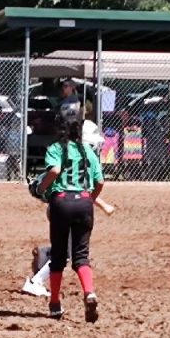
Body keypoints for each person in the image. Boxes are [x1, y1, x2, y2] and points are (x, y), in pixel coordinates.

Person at [33, 108, 105, 322]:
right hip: (83, 201)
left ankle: (55, 303)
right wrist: (90, 199)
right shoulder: (86, 150)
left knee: (58, 256)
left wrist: (41, 189)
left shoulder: (56, 148)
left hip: (61, 201)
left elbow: (54, 171)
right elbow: (100, 181)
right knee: (81, 255)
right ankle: (89, 292)